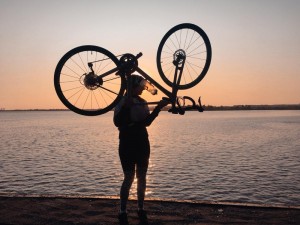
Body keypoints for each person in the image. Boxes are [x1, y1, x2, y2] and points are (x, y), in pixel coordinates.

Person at [113, 74, 168, 224]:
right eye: (141, 86)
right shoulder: (122, 101)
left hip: (142, 142)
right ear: (132, 86)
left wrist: (158, 108)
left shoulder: (143, 102)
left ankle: (140, 208)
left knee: (142, 176)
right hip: (127, 143)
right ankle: (122, 211)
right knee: (129, 177)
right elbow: (117, 122)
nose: (143, 89)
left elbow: (147, 122)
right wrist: (126, 107)